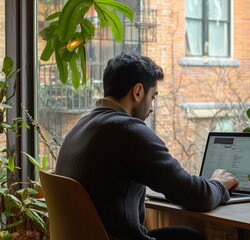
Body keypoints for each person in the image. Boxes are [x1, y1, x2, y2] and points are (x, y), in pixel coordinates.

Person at [55, 53, 239, 240]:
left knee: (184, 234)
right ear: (138, 92)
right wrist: (219, 183)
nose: (151, 108)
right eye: (153, 97)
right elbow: (197, 197)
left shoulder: (80, 126)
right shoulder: (128, 130)